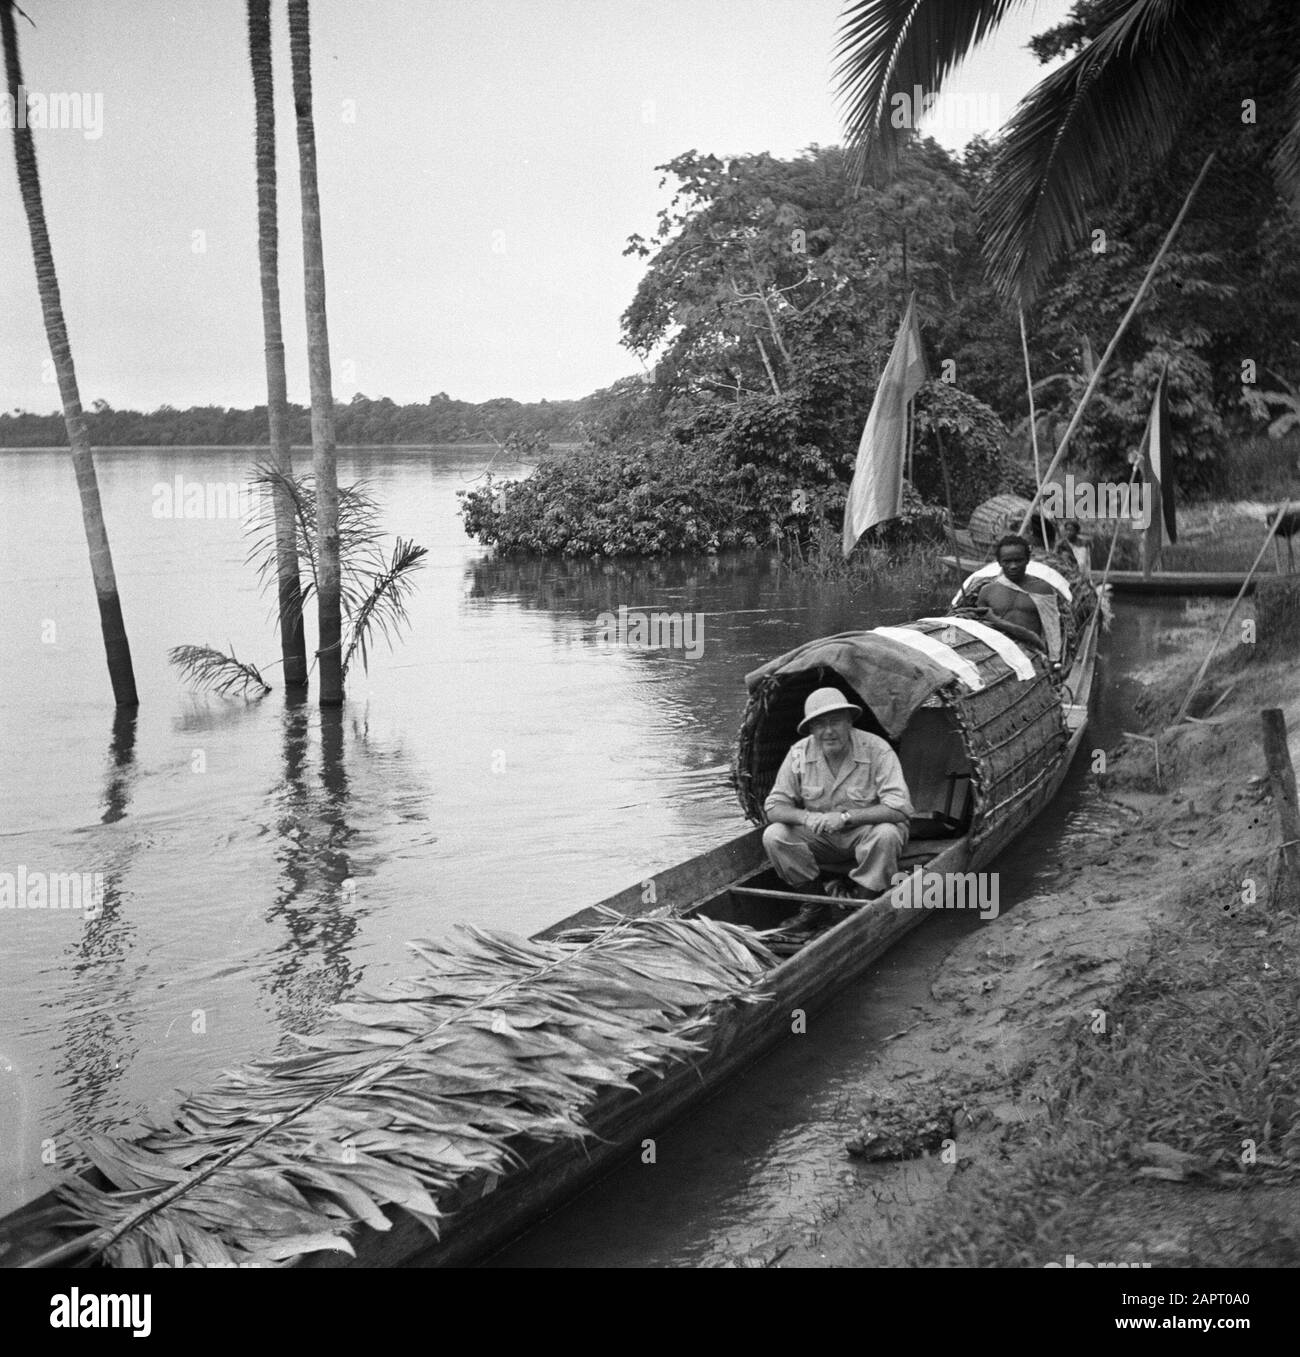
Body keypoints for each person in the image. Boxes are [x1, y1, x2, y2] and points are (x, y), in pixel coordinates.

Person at [762, 687, 913, 930]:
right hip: (824, 840)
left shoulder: (876, 749)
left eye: (836, 722)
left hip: (866, 838)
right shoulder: (799, 753)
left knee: (886, 833)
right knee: (775, 835)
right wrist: (806, 816)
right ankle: (815, 906)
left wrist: (845, 817)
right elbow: (773, 807)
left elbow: (900, 808)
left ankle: (861, 906)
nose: (829, 731)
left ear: (849, 722)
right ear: (811, 729)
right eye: (820, 724)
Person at [960, 533, 1063, 662]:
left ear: (1027, 559)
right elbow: (983, 628)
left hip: (1032, 654)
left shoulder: (1042, 589)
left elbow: (1052, 627)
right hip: (998, 656)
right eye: (1007, 561)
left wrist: (1054, 659)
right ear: (999, 562)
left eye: (1018, 560)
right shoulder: (987, 591)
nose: (1013, 566)